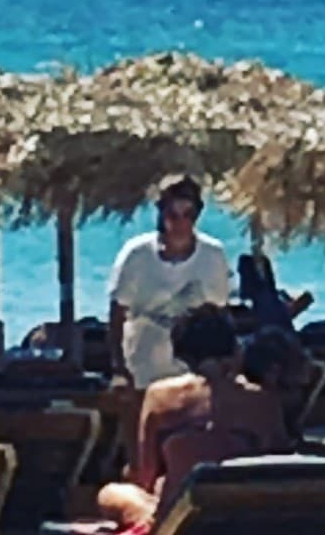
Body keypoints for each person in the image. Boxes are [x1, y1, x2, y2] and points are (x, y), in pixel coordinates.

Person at [97, 305, 289, 533]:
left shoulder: (160, 395)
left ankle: (150, 521)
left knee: (111, 493)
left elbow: (145, 474)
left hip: (179, 517)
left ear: (182, 354)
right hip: (239, 513)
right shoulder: (261, 401)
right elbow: (277, 465)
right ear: (234, 349)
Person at [108, 177, 232, 390]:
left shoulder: (213, 256)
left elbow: (220, 314)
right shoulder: (137, 254)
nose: (180, 223)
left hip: (193, 376)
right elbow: (117, 314)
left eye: (188, 215)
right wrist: (119, 368)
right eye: (173, 215)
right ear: (161, 214)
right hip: (142, 371)